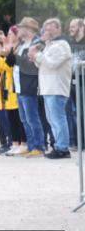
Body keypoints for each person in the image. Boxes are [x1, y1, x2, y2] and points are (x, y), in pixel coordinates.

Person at [33, 18, 74, 159]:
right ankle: (58, 145)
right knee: (52, 119)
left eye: (50, 29)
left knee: (58, 118)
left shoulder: (62, 45)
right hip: (48, 88)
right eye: (45, 29)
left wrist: (37, 55)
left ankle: (63, 148)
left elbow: (52, 64)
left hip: (56, 87)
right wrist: (36, 57)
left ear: (58, 29)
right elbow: (43, 64)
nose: (47, 32)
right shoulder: (49, 45)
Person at [7, 18, 46, 158]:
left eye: (21, 27)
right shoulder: (22, 44)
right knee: (24, 118)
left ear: (29, 29)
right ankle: (30, 144)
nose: (19, 30)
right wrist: (10, 51)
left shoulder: (37, 43)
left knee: (32, 117)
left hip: (30, 84)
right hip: (19, 85)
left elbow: (29, 64)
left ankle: (39, 146)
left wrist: (14, 58)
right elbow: (11, 62)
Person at [0, 34, 23, 155]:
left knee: (16, 120)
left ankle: (20, 144)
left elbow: (7, 67)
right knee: (9, 120)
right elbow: (0, 69)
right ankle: (12, 143)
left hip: (12, 91)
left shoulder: (12, 53)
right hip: (5, 92)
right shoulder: (6, 54)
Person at [66, 18, 84, 151]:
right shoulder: (69, 42)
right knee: (73, 113)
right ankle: (77, 142)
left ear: (80, 27)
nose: (70, 29)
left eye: (73, 26)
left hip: (82, 81)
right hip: (71, 81)